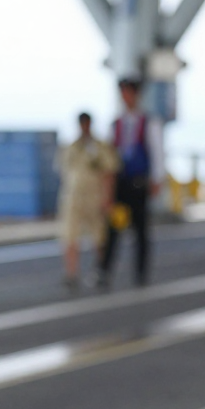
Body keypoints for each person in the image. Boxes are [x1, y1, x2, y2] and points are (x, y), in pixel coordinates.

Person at [98, 78, 163, 287]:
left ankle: (141, 274)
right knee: (113, 229)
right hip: (120, 184)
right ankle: (105, 271)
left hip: (139, 183)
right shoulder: (115, 124)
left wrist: (156, 179)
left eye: (129, 92)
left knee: (141, 230)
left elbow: (156, 152)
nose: (126, 97)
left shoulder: (149, 122)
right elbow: (108, 157)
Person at [56, 112, 119, 289]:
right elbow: (63, 171)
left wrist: (108, 198)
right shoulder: (71, 147)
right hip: (73, 197)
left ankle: (101, 270)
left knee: (99, 236)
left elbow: (109, 173)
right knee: (69, 235)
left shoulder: (100, 147)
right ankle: (71, 273)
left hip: (95, 197)